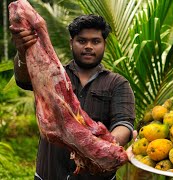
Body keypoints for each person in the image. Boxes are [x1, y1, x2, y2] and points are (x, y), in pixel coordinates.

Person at [10, 14, 135, 180]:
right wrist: (22, 53)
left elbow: (124, 123)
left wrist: (100, 148)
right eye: (82, 41)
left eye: (95, 41)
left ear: (104, 44)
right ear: (71, 43)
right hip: (49, 174)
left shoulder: (117, 83)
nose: (88, 46)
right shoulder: (52, 74)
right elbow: (24, 80)